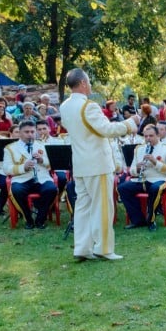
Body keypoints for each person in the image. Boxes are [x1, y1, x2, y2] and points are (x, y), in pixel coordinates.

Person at [59, 68, 141, 260]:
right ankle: (103, 248)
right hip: (97, 163)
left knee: (83, 207)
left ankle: (82, 248)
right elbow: (107, 130)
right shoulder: (89, 106)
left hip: (80, 163)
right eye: (88, 82)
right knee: (103, 207)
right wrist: (131, 122)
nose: (90, 86)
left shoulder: (64, 106)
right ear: (82, 84)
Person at [119, 123, 166, 231]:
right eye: (146, 136)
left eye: (151, 136)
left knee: (155, 189)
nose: (148, 139)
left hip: (160, 179)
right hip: (142, 180)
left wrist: (155, 162)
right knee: (123, 188)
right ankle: (138, 220)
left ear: (158, 136)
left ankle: (151, 220)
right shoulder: (139, 149)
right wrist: (137, 168)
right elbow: (131, 170)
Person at [4, 120, 58, 229]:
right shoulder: (9, 148)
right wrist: (23, 167)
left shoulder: (43, 145)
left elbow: (52, 164)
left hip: (42, 177)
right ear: (19, 132)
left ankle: (40, 219)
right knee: (17, 191)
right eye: (26, 132)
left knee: (51, 189)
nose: (30, 134)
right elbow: (6, 169)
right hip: (21, 178)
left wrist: (41, 160)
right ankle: (28, 219)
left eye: (32, 132)